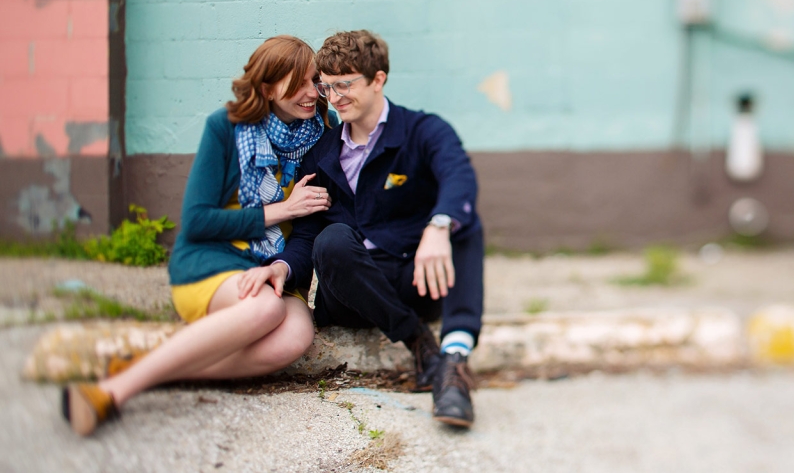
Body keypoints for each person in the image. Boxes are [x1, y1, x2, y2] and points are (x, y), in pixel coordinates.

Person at [61, 35, 335, 436]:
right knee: (264, 310)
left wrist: (280, 268)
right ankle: (111, 392)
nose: (313, 93)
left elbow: (308, 232)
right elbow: (197, 221)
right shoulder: (225, 128)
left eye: (314, 81)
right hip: (213, 260)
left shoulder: (322, 135)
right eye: (299, 84)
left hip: (275, 268)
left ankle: (150, 362)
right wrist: (282, 210)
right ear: (267, 88)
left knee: (295, 336)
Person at [275, 29, 484, 428]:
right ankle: (419, 342)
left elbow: (458, 176)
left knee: (463, 220)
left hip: (415, 279)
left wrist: (439, 226)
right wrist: (282, 269)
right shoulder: (322, 155)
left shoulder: (422, 131)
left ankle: (453, 362)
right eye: (327, 87)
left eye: (345, 85)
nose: (335, 98)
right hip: (351, 296)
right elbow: (306, 237)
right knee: (331, 239)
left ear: (378, 79)